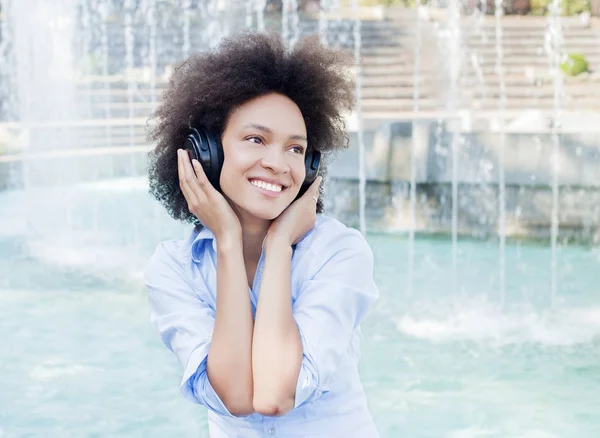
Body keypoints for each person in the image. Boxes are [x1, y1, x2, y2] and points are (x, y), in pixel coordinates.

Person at [143, 30, 380, 438]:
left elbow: (273, 395)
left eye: (295, 149)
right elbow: (236, 398)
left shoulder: (339, 252)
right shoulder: (173, 268)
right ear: (206, 151)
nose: (278, 163)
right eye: (256, 139)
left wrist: (279, 248)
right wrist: (229, 244)